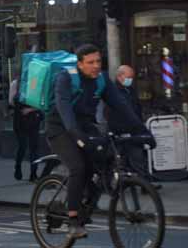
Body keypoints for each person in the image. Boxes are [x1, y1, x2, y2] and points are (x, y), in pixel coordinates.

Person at [46, 44, 154, 240]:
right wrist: (78, 137)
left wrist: (143, 131)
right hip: (60, 128)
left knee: (104, 162)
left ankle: (87, 203)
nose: (96, 66)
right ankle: (73, 221)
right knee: (78, 167)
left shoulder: (102, 80)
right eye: (90, 62)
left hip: (86, 125)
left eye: (98, 62)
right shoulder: (66, 78)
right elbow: (64, 111)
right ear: (79, 64)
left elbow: (121, 106)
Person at [9, 70, 42, 182]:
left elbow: (42, 102)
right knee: (24, 146)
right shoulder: (17, 84)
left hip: (29, 118)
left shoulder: (32, 83)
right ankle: (20, 168)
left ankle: (32, 173)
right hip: (22, 119)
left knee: (31, 147)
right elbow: (11, 102)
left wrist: (30, 109)